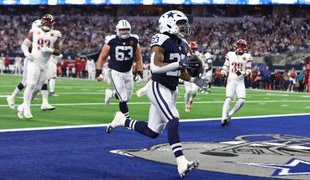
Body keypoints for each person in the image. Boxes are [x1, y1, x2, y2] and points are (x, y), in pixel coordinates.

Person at [106, 10, 208, 177]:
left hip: (171, 89)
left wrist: (194, 80)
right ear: (169, 24)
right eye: (181, 24)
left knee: (152, 132)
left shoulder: (182, 44)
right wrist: (178, 64)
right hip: (158, 86)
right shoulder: (161, 39)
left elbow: (180, 72)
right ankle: (181, 162)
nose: (184, 27)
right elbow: (155, 67)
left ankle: (122, 120)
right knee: (173, 120)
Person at [96, 19, 143, 120]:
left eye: (127, 29)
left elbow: (138, 58)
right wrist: (98, 73)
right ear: (117, 30)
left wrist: (139, 73)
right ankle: (126, 120)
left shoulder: (134, 40)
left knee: (128, 97)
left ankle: (111, 93)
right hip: (115, 72)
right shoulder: (111, 41)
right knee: (123, 97)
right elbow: (102, 57)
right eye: (122, 30)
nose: (125, 32)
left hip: (128, 72)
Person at [17, 14, 61, 119]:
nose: (47, 23)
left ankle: (23, 107)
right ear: (42, 22)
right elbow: (24, 45)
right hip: (34, 61)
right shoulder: (35, 31)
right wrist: (27, 54)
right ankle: (27, 109)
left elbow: (58, 51)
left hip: (45, 64)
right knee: (31, 84)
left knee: (37, 88)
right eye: (45, 21)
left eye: (49, 21)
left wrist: (49, 50)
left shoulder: (55, 34)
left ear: (52, 23)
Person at [6, 19, 55, 111]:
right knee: (26, 82)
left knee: (41, 82)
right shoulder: (34, 33)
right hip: (31, 60)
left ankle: (44, 102)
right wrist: (28, 53)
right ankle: (13, 98)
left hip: (41, 61)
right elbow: (26, 46)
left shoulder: (43, 34)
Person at [221, 39, 252, 127]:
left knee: (242, 100)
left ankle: (229, 115)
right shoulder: (230, 54)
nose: (240, 48)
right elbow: (225, 66)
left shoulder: (247, 56)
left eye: (242, 46)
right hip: (231, 80)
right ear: (236, 46)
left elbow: (249, 70)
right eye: (239, 45)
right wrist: (223, 72)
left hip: (240, 82)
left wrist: (244, 73)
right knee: (228, 98)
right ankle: (223, 118)